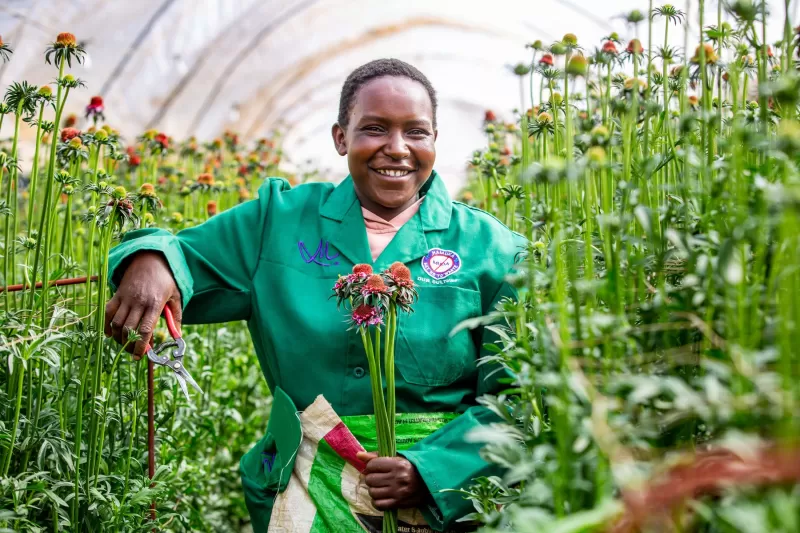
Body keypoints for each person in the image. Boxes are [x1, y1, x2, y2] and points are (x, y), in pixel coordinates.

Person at [104, 58, 526, 532]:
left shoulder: (493, 250)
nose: (396, 148)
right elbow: (183, 255)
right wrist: (151, 259)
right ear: (341, 137)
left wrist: (430, 470)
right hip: (305, 486)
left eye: (416, 132)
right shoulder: (278, 221)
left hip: (441, 501)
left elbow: (516, 399)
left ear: (434, 140)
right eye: (374, 128)